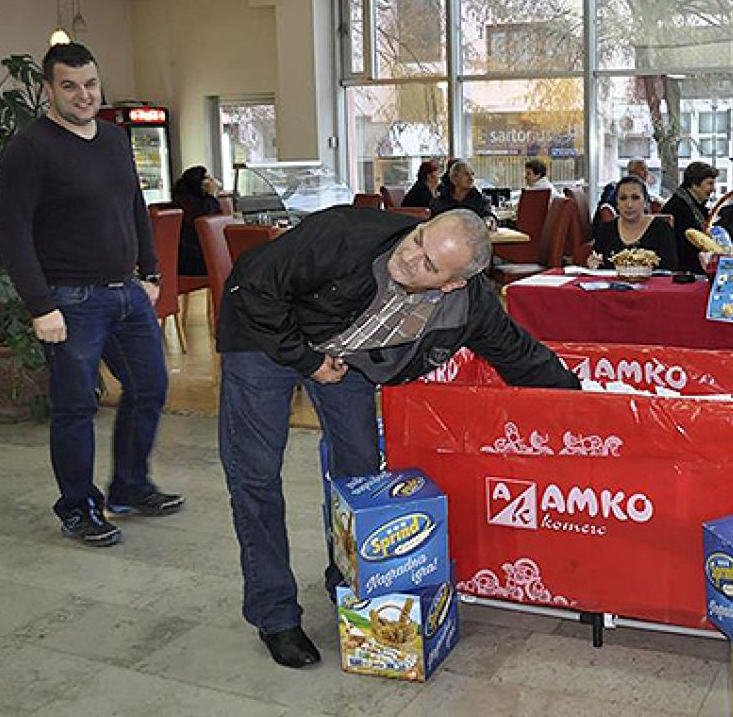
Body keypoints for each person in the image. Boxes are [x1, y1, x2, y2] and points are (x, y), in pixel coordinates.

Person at [216, 207, 579, 669]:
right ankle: (275, 614)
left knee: (361, 475)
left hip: (345, 353)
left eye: (429, 264)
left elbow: (520, 355)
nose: (410, 258)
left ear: (452, 283)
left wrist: (581, 404)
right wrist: (306, 361)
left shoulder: (468, 306)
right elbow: (252, 284)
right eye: (418, 240)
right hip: (263, 332)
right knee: (256, 475)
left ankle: (348, 582)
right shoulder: (344, 235)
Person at [0, 43, 182, 548]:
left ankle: (130, 486)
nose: (83, 95)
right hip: (69, 301)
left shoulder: (115, 140)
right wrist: (40, 305)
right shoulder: (31, 149)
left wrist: (151, 271)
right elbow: (11, 233)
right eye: (70, 85)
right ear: (50, 89)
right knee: (76, 408)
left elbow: (135, 205)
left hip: (127, 294)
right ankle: (78, 508)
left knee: (150, 389)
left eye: (90, 84)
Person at [588, 175, 678, 271]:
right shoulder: (605, 230)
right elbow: (598, 265)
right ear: (617, 203)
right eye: (623, 198)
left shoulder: (662, 229)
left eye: (635, 198)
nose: (629, 204)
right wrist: (593, 263)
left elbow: (670, 269)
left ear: (646, 202)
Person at [661, 161, 718, 274]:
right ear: (694, 184)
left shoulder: (692, 206)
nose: (713, 189)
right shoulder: (677, 209)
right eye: (709, 184)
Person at [172, 165, 223, 275]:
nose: (212, 181)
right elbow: (207, 223)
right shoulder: (187, 203)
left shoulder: (200, 201)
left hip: (202, 254)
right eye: (208, 178)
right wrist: (212, 195)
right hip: (193, 259)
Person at [429, 158, 496, 227]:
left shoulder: (481, 200)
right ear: (454, 178)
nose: (471, 178)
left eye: (472, 174)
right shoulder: (439, 202)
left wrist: (489, 221)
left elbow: (488, 216)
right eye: (466, 174)